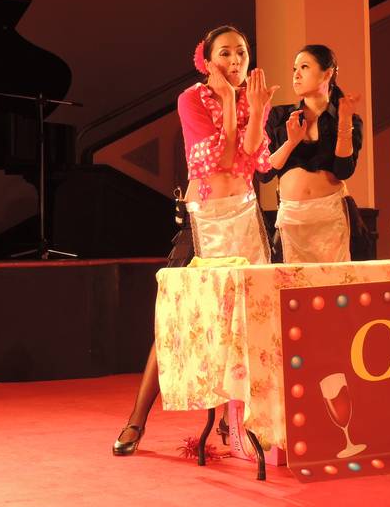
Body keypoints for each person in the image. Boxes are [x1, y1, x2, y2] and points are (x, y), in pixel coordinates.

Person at [112, 25, 275, 455]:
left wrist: (256, 110)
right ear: (207, 60)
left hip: (245, 219)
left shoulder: (251, 97)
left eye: (242, 53)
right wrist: (229, 103)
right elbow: (221, 158)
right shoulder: (191, 99)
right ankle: (136, 421)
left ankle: (233, 424)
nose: (235, 61)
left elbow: (254, 160)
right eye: (226, 53)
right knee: (173, 317)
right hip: (204, 221)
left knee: (247, 319)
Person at [260, 44, 366, 264]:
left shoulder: (347, 119)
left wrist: (344, 122)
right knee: (292, 282)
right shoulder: (280, 116)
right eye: (294, 69)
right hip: (292, 218)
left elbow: (343, 170)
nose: (296, 74)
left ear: (327, 74)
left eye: (304, 67)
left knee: (335, 282)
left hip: (330, 218)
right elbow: (264, 173)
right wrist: (290, 143)